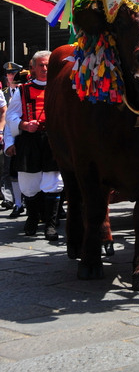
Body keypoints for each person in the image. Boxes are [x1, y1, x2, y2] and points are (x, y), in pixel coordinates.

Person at [4, 51, 63, 241]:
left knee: (53, 182)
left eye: (48, 65)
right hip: (29, 140)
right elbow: (11, 116)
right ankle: (32, 218)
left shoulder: (60, 88)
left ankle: (51, 225)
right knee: (29, 184)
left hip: (53, 140)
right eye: (41, 65)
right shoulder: (23, 90)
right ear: (34, 68)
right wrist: (23, 126)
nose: (45, 69)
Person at [1, 62, 24, 216]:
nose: (11, 76)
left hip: (24, 132)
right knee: (11, 170)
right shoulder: (5, 92)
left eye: (14, 73)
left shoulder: (24, 90)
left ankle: (27, 200)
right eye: (9, 74)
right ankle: (16, 202)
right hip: (11, 134)